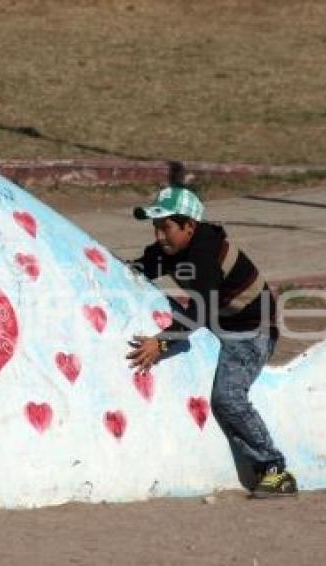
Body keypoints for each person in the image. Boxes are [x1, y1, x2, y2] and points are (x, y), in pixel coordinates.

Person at [126, 162, 297, 498]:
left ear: (189, 226)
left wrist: (160, 344)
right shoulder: (171, 249)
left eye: (165, 228)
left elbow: (200, 309)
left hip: (251, 331)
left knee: (228, 398)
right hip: (222, 321)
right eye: (155, 228)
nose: (159, 236)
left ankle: (275, 469)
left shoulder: (205, 253)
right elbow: (143, 268)